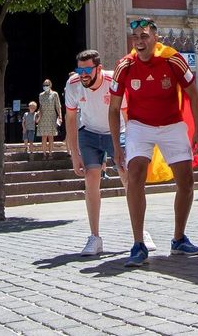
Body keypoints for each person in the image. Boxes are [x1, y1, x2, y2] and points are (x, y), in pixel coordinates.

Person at [111, 18, 198, 267]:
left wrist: (196, 131)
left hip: (172, 125)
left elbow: (193, 93)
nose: (140, 42)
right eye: (136, 38)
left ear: (155, 37)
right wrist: (116, 145)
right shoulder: (125, 65)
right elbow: (113, 108)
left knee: (186, 181)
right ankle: (138, 243)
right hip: (139, 126)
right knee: (135, 175)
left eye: (144, 36)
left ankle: (178, 239)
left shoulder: (173, 59)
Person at [64, 48, 115, 255]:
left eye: (87, 70)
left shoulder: (113, 81)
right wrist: (74, 153)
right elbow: (70, 118)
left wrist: (127, 145)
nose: (83, 74)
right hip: (89, 132)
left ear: (99, 68)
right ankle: (95, 237)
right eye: (80, 69)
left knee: (129, 177)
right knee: (91, 180)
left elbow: (126, 113)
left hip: (116, 130)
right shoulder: (74, 84)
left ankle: (140, 234)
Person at [37, 79, 62, 153]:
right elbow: (40, 106)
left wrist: (60, 116)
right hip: (43, 117)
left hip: (51, 117)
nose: (45, 86)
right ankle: (44, 153)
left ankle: (50, 153)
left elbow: (58, 106)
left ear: (50, 85)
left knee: (51, 136)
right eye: (44, 85)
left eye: (47, 85)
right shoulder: (41, 95)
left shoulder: (54, 94)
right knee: (44, 136)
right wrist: (38, 114)